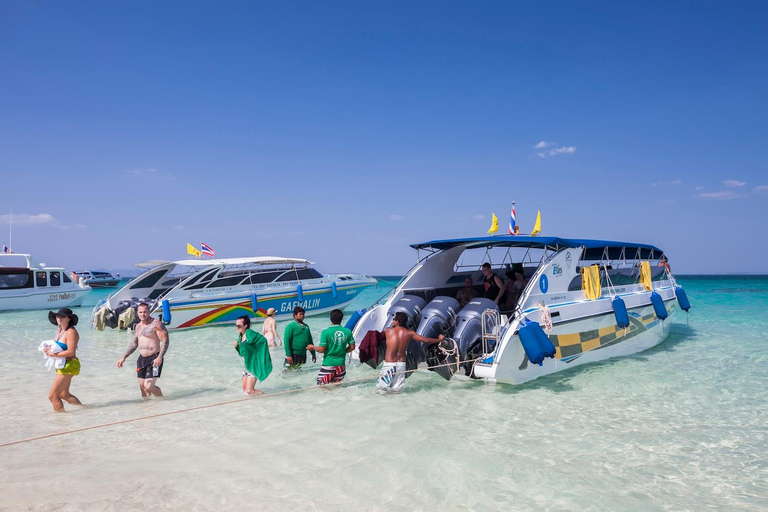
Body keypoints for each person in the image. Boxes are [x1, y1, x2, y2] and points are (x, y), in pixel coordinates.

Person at [376, 312, 444, 393]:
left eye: (394, 319)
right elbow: (426, 340)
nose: (392, 321)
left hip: (389, 364)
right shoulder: (409, 333)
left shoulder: (388, 330)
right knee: (397, 390)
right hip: (401, 365)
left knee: (381, 389)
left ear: (397, 322)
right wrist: (439, 339)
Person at [116, 302, 169, 398]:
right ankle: (146, 408)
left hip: (154, 358)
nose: (142, 314)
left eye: (145, 312)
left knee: (148, 385)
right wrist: (124, 357)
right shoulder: (138, 326)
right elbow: (134, 343)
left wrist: (160, 357)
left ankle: (162, 400)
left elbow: (165, 341)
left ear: (149, 312)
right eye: (140, 312)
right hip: (141, 359)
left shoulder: (156, 324)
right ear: (137, 313)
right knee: (142, 386)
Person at [43, 308, 83, 411]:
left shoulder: (71, 332)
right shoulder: (60, 329)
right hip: (62, 363)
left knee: (52, 396)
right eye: (57, 316)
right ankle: (85, 410)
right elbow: (56, 345)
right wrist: (48, 349)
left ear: (69, 318)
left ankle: (61, 420)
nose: (59, 318)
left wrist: (53, 354)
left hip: (69, 364)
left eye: (62, 316)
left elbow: (71, 352)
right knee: (64, 394)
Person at [307, 309, 355, 386]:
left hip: (328, 365)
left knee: (321, 386)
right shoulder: (347, 331)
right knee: (337, 386)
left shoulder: (325, 332)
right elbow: (352, 347)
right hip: (341, 365)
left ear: (330, 318)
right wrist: (342, 351)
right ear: (341, 319)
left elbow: (321, 349)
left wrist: (313, 347)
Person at [233, 315, 272, 394]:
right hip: (247, 365)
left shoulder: (250, 334)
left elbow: (263, 340)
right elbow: (242, 353)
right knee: (244, 390)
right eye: (236, 325)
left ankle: (266, 396)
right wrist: (236, 347)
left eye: (239, 325)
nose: (237, 327)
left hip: (254, 365)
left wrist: (259, 355)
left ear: (245, 326)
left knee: (250, 391)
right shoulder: (240, 336)